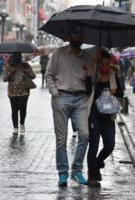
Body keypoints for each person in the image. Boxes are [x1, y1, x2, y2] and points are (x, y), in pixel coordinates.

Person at [45, 24, 93, 186]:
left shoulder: (87, 57)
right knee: (61, 139)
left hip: (80, 99)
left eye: (81, 37)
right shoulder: (58, 54)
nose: (78, 39)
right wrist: (55, 93)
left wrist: (90, 77)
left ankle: (77, 171)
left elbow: (89, 81)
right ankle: (63, 173)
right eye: (76, 36)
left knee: (85, 135)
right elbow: (49, 75)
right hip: (61, 98)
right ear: (70, 37)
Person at [87, 49, 123, 187]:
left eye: (107, 64)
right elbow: (86, 91)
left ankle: (96, 163)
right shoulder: (94, 76)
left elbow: (120, 93)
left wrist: (116, 86)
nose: (105, 66)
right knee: (94, 145)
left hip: (108, 117)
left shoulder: (113, 75)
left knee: (109, 145)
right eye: (102, 63)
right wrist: (91, 79)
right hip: (94, 115)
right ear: (98, 63)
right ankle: (91, 174)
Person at [3, 52, 36, 134]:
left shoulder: (26, 65)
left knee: (23, 108)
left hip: (24, 91)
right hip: (12, 92)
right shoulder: (9, 66)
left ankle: (22, 124)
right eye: (15, 56)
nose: (17, 58)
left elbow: (33, 76)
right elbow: (4, 79)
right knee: (14, 109)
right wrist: (11, 72)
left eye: (18, 56)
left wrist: (26, 71)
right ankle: (15, 127)